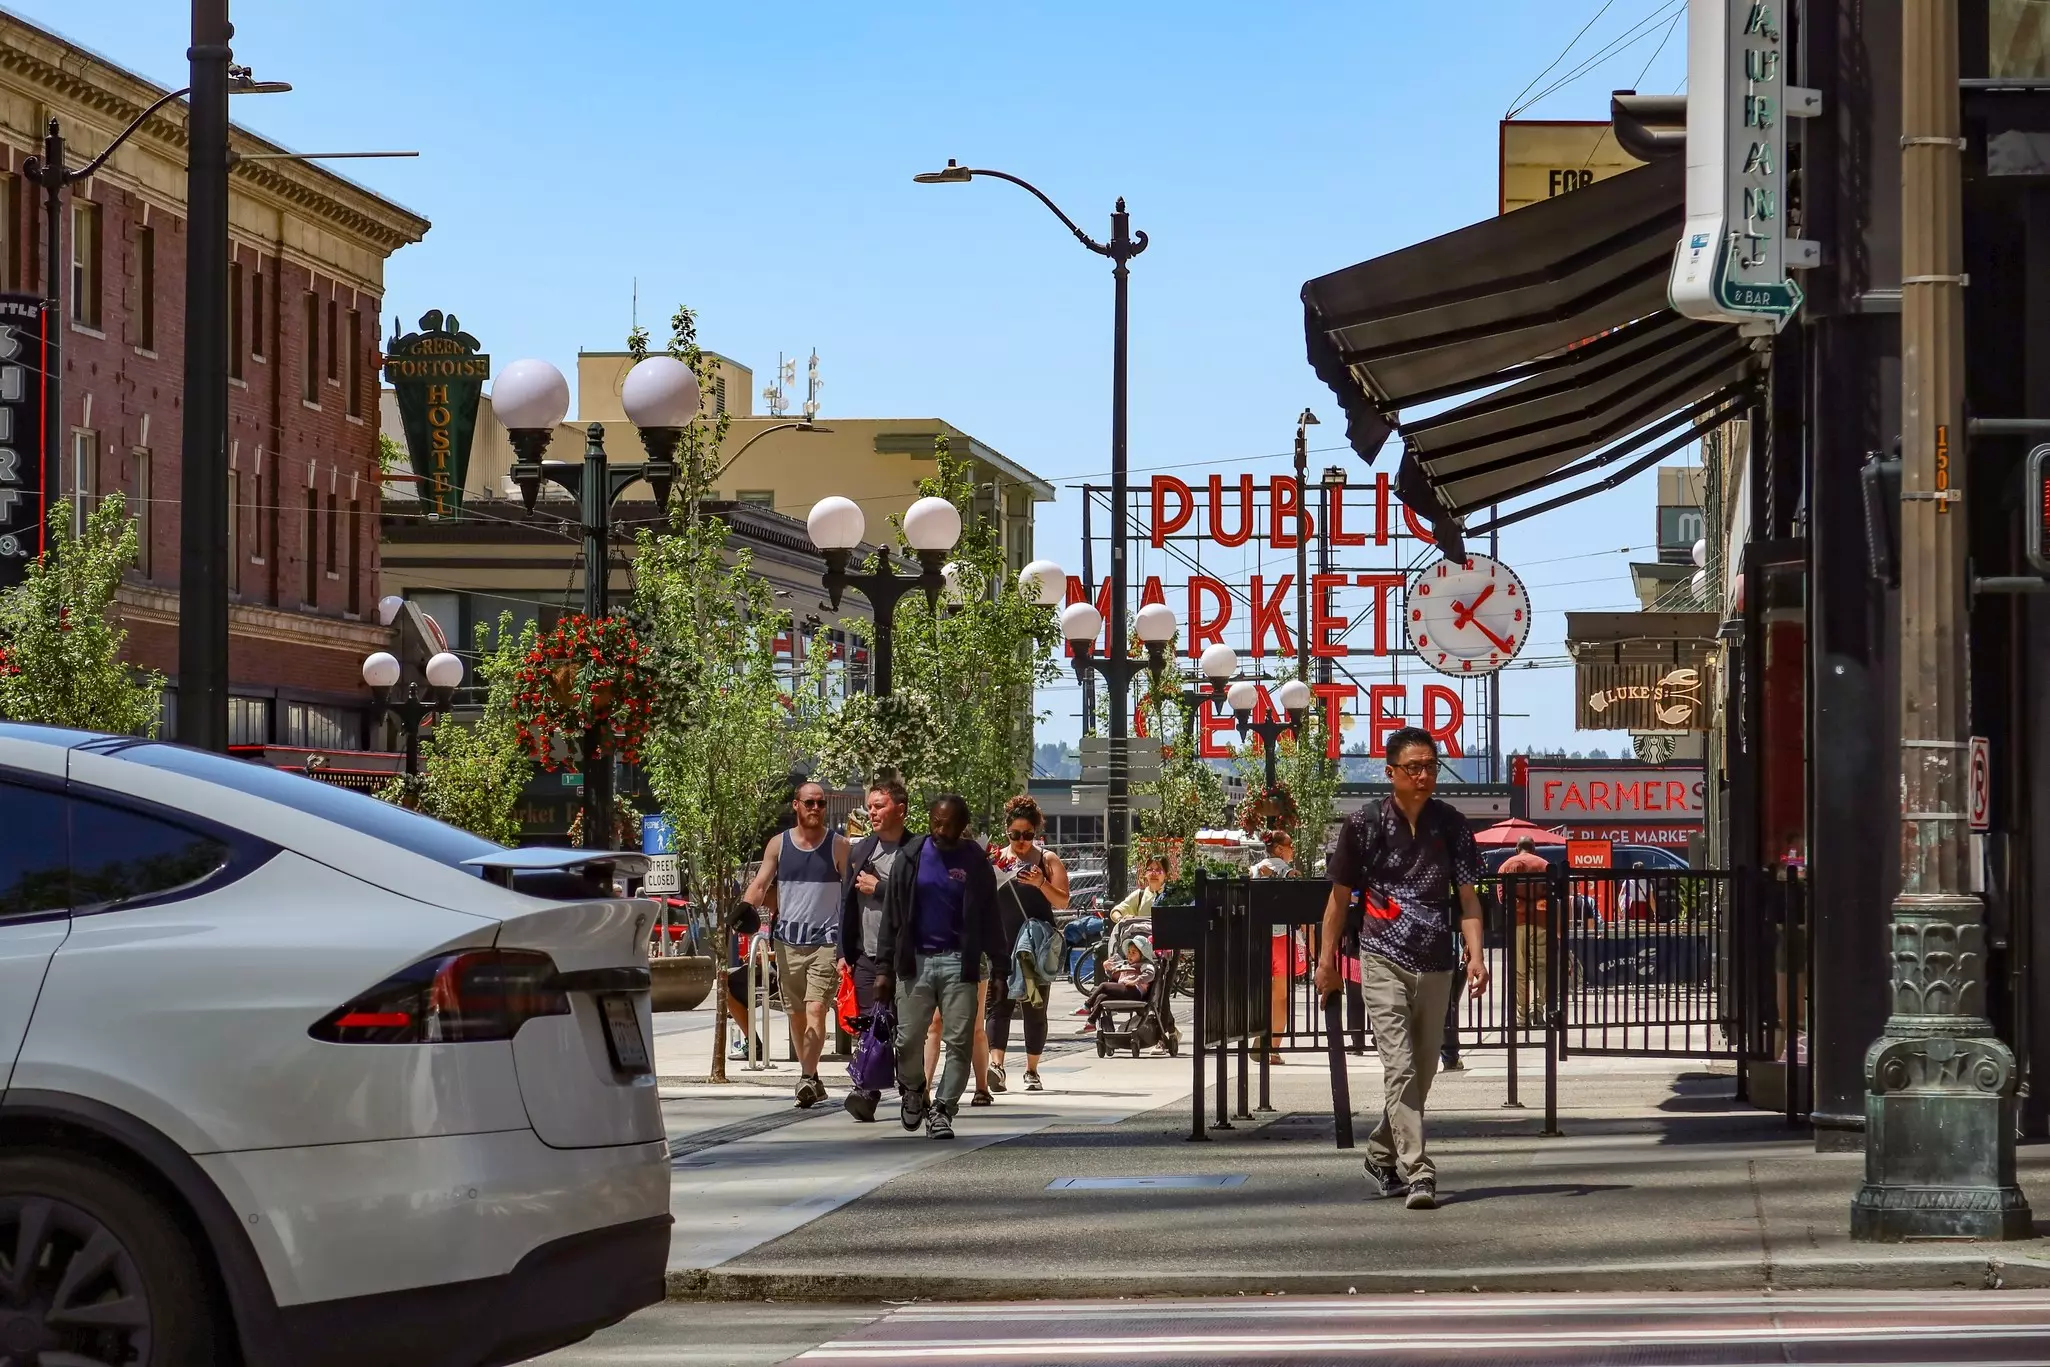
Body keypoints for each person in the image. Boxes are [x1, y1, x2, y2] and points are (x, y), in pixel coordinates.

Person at [1314, 727, 1486, 1212]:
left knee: (1425, 1071)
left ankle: (1380, 1153)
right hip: (1382, 955)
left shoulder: (1451, 824)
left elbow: (1468, 899)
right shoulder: (1363, 824)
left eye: (1431, 765)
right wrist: (1326, 962)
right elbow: (1338, 899)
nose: (1425, 774)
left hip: (1437, 962)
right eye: (1414, 767)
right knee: (1401, 1067)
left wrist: (1475, 955)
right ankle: (1419, 1172)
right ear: (1390, 773)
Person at [874, 793, 1001, 1140]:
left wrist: (1001, 968)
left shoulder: (975, 860)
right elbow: (892, 917)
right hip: (914, 962)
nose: (940, 829)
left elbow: (991, 917)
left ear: (962, 827)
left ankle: (943, 1109)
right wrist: (884, 969)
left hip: (961, 962)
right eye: (935, 822)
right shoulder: (911, 856)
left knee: (958, 1041)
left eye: (948, 824)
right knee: (907, 1039)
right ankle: (915, 1089)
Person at [739, 780, 848, 1109]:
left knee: (816, 1009)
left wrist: (851, 943)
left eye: (821, 803)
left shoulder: (839, 846)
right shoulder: (778, 845)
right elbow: (760, 884)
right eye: (809, 803)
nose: (816, 808)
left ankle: (804, 1077)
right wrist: (742, 911)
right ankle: (812, 1078)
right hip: (787, 942)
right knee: (797, 1016)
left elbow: (852, 895)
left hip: (825, 942)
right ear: (796, 806)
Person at [838, 777, 909, 1122]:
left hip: (908, 956)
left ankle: (912, 1091)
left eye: (879, 806)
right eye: (870, 807)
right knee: (871, 1025)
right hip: (867, 954)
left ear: (901, 809)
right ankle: (866, 1090)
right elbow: (846, 902)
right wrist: (843, 952)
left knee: (906, 1030)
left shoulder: (918, 851)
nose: (872, 813)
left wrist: (879, 888)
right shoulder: (860, 849)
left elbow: (922, 901)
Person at [987, 796, 1068, 1094]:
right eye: (1015, 835)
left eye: (1028, 835)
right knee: (998, 1005)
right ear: (1006, 832)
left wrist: (1040, 884)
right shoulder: (996, 860)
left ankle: (1032, 1070)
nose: (1021, 841)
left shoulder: (1047, 860)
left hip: (1035, 948)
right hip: (1002, 942)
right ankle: (997, 1066)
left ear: (1036, 833)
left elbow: (1063, 900)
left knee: (1035, 1007)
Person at [1252, 831, 1299, 1066]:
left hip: (1257, 937)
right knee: (1280, 996)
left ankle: (1259, 1035)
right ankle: (1273, 1048)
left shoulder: (1253, 871)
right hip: (1281, 938)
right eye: (1291, 846)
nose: (1293, 850)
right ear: (1279, 849)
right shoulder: (1289, 873)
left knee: (1260, 992)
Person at [1497, 836, 1553, 1027]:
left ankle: (1521, 1017)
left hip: (1517, 922)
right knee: (1541, 967)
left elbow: (1502, 897)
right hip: (1540, 921)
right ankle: (1537, 1010)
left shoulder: (1506, 865)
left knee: (1520, 970)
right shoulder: (1544, 865)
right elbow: (1552, 895)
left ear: (1516, 848)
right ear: (1534, 848)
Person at [1083, 936, 1157, 1022]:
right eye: (1129, 952)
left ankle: (1087, 1006)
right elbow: (1115, 977)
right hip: (1125, 990)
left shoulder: (1144, 965)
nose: (1129, 955)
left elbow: (1150, 974)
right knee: (1101, 997)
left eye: (1133, 952)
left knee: (1103, 986)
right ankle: (1091, 1022)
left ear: (1142, 955)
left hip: (1135, 991)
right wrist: (1107, 968)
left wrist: (1136, 981)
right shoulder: (1126, 965)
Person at [1110, 856, 1168, 920]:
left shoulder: (1173, 895)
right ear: (1145, 874)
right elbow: (1116, 911)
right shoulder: (1140, 895)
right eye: (1150, 869)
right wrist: (1121, 919)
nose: (1153, 873)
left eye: (1158, 870)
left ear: (1166, 875)